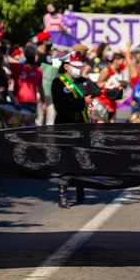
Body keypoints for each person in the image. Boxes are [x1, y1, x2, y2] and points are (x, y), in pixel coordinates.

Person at [51, 51, 101, 208]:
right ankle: (62, 195)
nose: (78, 70)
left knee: (81, 159)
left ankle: (81, 192)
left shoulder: (82, 81)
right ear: (66, 66)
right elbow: (62, 104)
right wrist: (82, 102)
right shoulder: (58, 83)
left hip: (82, 126)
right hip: (65, 126)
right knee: (64, 161)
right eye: (75, 66)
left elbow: (98, 90)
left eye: (80, 67)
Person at [8, 48, 46, 118]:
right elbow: (41, 88)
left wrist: (43, 102)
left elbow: (40, 87)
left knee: (20, 125)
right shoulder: (18, 67)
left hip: (28, 103)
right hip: (19, 102)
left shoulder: (38, 70)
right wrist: (43, 102)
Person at [95, 53, 127, 122]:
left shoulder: (119, 71)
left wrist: (121, 84)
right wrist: (108, 83)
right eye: (121, 61)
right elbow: (98, 84)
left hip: (113, 100)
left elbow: (125, 83)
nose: (122, 64)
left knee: (112, 123)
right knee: (102, 123)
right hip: (103, 101)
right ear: (116, 61)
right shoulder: (106, 70)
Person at [35, 34, 58, 126]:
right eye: (48, 40)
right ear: (43, 41)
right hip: (39, 88)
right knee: (40, 115)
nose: (50, 42)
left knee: (52, 113)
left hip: (49, 88)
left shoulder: (48, 54)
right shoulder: (36, 54)